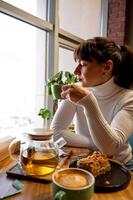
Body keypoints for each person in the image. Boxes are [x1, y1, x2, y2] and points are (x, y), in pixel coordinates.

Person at [50, 37, 133, 165]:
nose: (76, 71)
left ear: (107, 67)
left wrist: (88, 103)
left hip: (121, 166)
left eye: (83, 64)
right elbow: (55, 133)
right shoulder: (76, 90)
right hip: (87, 160)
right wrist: (98, 143)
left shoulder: (128, 99)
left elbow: (109, 149)